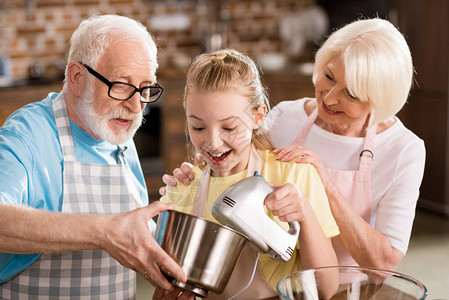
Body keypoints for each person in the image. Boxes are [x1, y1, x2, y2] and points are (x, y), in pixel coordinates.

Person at [163, 18, 426, 272]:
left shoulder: (404, 150)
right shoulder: (286, 117)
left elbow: (383, 266)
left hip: (353, 287)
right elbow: (235, 159)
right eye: (329, 76)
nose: (330, 98)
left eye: (352, 93)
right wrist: (203, 167)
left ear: (379, 99)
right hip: (286, 280)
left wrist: (328, 189)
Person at [0, 14, 186, 298]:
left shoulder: (116, 134)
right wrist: (104, 232)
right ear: (77, 77)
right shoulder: (29, 135)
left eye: (145, 88)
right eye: (121, 85)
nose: (137, 107)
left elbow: (133, 237)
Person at [154, 49, 339, 300]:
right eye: (198, 126)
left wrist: (304, 214)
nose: (213, 142)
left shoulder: (295, 174)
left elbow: (325, 289)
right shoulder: (184, 186)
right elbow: (163, 290)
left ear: (257, 117)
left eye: (229, 127)